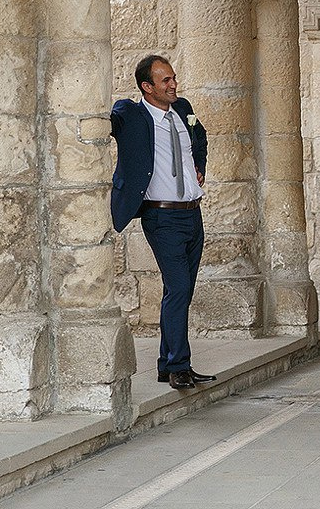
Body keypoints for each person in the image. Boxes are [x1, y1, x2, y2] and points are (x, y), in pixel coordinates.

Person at [110, 55, 217, 390]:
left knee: (179, 291)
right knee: (180, 287)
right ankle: (178, 365)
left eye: (173, 78)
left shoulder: (183, 108)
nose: (173, 85)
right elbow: (106, 120)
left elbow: (200, 139)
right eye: (165, 81)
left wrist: (199, 165)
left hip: (192, 212)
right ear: (147, 87)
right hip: (162, 215)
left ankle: (164, 363)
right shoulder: (132, 115)